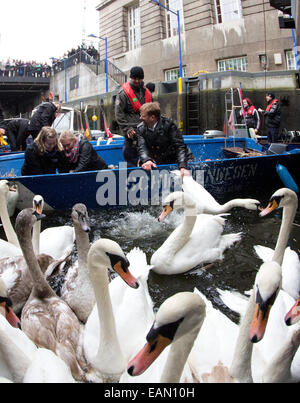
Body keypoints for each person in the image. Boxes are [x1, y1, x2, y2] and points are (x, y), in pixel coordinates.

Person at [137, 102, 194, 178]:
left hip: (180, 159)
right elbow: (142, 147)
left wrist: (183, 166)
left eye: (143, 116)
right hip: (162, 161)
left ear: (152, 117)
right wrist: (147, 160)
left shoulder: (169, 125)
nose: (140, 118)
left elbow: (179, 146)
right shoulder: (141, 128)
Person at [115, 66, 152, 167]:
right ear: (130, 78)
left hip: (146, 130)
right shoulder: (123, 94)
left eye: (139, 79)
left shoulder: (146, 92)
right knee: (130, 155)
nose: (136, 81)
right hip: (132, 132)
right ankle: (130, 176)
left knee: (148, 155)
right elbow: (119, 114)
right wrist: (127, 129)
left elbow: (153, 111)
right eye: (134, 78)